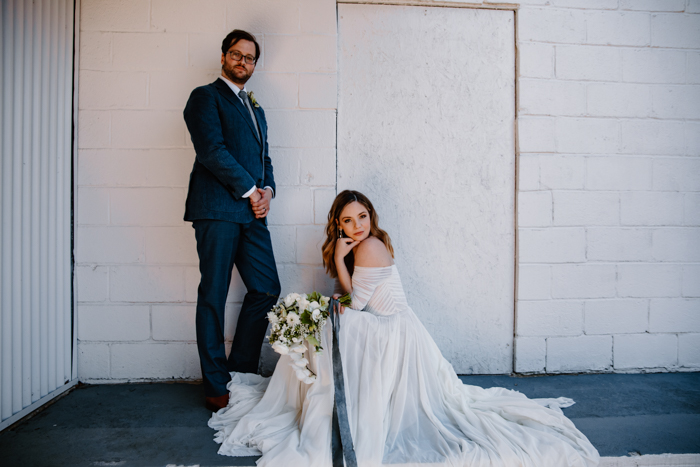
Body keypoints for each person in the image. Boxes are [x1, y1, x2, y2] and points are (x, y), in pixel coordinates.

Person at [208, 190, 600, 466]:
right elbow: (352, 302)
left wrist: (341, 264)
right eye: (348, 220)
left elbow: (356, 304)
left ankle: (320, 405)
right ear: (338, 223)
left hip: (392, 332)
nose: (357, 225)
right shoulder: (361, 245)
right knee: (324, 327)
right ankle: (315, 402)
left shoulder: (369, 246)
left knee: (327, 331)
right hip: (387, 327)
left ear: (370, 217)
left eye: (362, 216)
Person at [183, 29, 281, 412]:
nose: (243, 62)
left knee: (266, 288)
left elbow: (264, 161)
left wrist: (268, 192)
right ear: (224, 56)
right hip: (218, 211)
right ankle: (215, 385)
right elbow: (211, 150)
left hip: (253, 213)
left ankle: (239, 372)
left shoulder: (256, 108)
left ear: (256, 64)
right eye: (237, 55)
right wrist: (250, 191)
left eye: (250, 58)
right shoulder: (204, 97)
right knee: (214, 295)